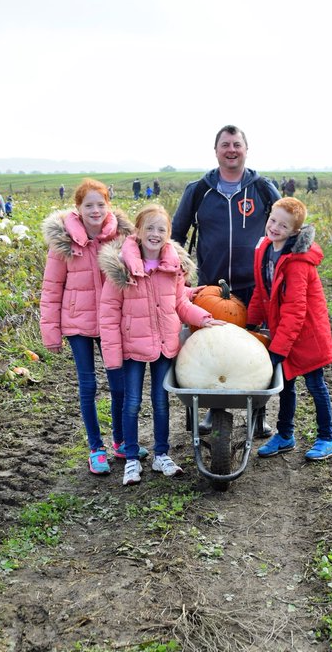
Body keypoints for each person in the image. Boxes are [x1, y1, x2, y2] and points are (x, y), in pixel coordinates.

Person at [98, 204, 226, 485]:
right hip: (132, 346)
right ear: (138, 231)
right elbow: (108, 314)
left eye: (162, 229)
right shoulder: (121, 268)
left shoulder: (173, 266)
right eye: (150, 228)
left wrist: (203, 318)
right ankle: (131, 458)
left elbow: (180, 303)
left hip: (164, 346)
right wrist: (112, 355)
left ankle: (161, 455)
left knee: (160, 401)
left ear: (168, 234)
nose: (155, 234)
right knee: (131, 403)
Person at [171, 124, 281, 436]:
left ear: (246, 149)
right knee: (211, 353)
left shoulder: (262, 188)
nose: (231, 150)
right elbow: (177, 235)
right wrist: (176, 275)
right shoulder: (199, 190)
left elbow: (287, 225)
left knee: (257, 353)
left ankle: (257, 415)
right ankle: (212, 410)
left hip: (253, 288)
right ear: (216, 150)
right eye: (225, 145)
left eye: (236, 144)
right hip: (210, 289)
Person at [41, 179, 139, 475]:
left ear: (108, 206)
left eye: (100, 204)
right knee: (88, 385)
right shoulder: (64, 243)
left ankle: (120, 441)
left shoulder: (122, 238)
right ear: (78, 209)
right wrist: (50, 330)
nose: (95, 210)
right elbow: (51, 287)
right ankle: (96, 447)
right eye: (88, 205)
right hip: (77, 323)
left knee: (119, 385)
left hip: (111, 323)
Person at [249, 197, 332, 462]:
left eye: (283, 225)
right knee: (286, 386)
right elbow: (262, 292)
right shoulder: (265, 249)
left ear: (295, 231)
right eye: (273, 220)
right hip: (284, 332)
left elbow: (296, 311)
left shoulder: (298, 263)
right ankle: (285, 435)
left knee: (315, 385)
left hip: (307, 335)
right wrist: (248, 325)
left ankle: (327, 438)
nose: (275, 228)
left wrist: (278, 348)